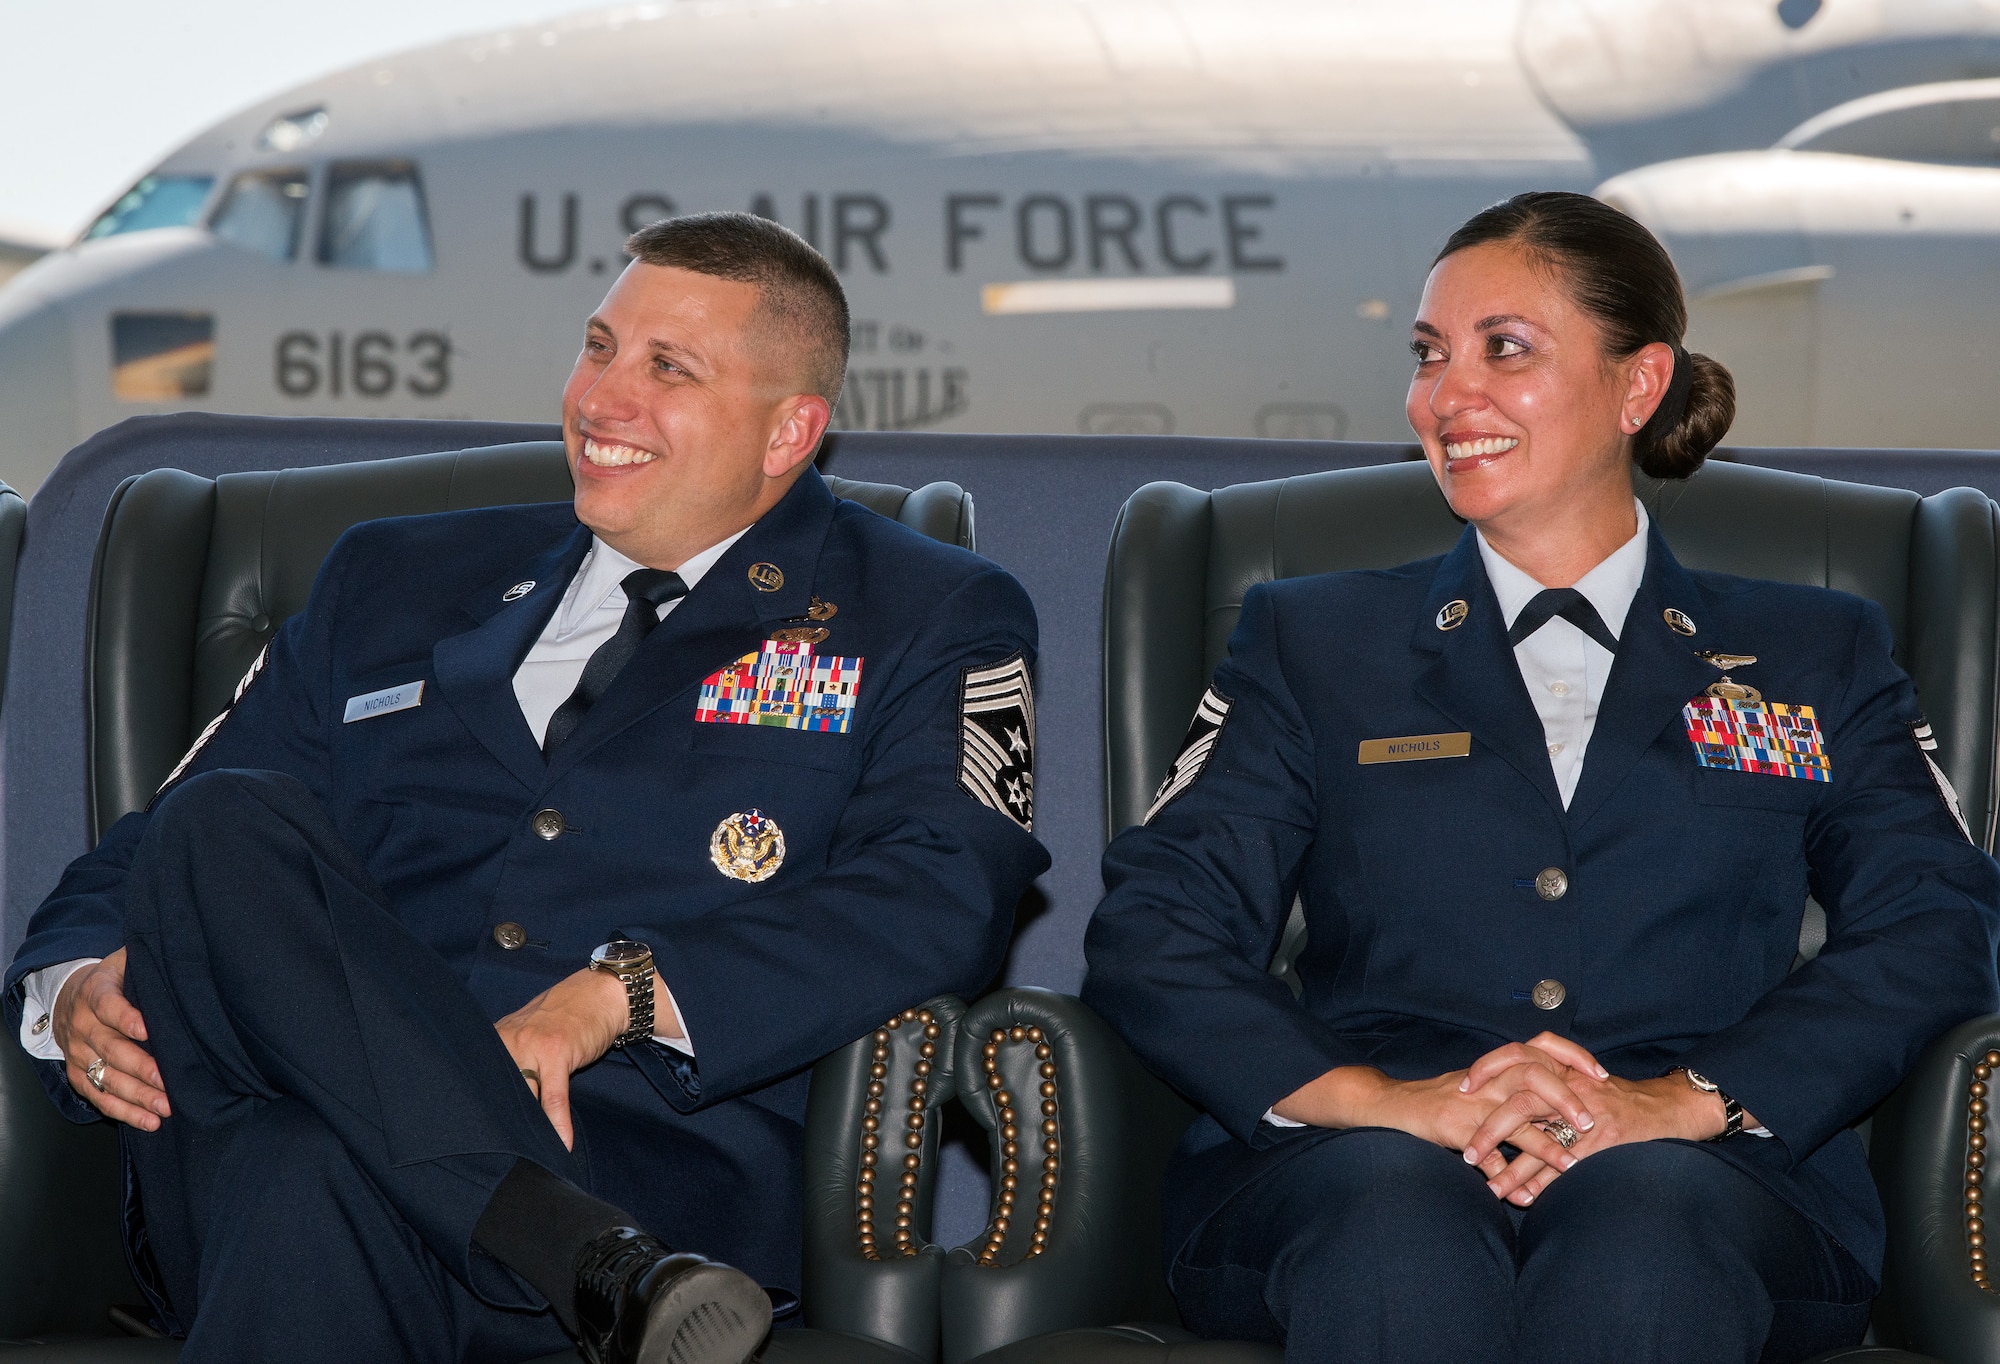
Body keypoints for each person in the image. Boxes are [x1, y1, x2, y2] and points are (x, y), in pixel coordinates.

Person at [5, 212, 1048, 1364]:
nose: (602, 398)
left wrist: (621, 991)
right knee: (223, 820)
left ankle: (549, 1226)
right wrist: (73, 987)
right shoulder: (390, 578)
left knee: (311, 1172)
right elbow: (162, 838)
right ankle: (567, 1249)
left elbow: (936, 893)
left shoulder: (922, 611)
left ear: (789, 429)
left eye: (666, 368)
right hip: (563, 1232)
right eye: (598, 347)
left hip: (628, 1155)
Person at [1082, 191, 2000, 1363]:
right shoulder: (1312, 641)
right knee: (1391, 1215)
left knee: (1645, 1217)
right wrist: (1386, 1099)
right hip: (1361, 1162)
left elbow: (1932, 918)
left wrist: (1684, 1099)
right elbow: (1156, 925)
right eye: (1427, 356)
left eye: (1501, 350)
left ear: (1636, 385)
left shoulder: (1812, 650)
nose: (1442, 396)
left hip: (1706, 1172)